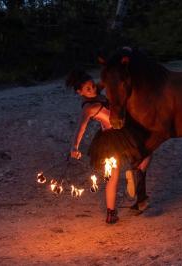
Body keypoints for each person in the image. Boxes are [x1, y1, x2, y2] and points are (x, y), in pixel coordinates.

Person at [66, 70, 152, 224]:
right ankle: (111, 213)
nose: (92, 90)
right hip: (110, 140)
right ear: (80, 92)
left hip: (123, 130)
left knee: (147, 152)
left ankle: (135, 173)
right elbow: (81, 128)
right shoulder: (88, 108)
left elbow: (110, 81)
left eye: (92, 86)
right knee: (113, 175)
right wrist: (74, 147)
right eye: (87, 89)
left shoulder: (97, 90)